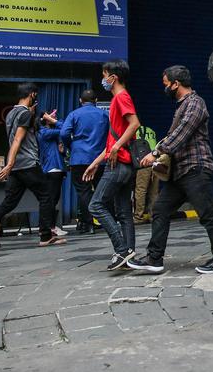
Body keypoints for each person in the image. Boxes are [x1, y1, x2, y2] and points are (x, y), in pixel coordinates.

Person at [130, 65, 213, 275]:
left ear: (176, 83)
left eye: (166, 84)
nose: (164, 88)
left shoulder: (195, 103)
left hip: (196, 167)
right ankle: (154, 258)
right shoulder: (181, 106)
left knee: (207, 214)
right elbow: (171, 136)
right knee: (160, 209)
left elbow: (182, 133)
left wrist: (156, 153)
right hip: (180, 172)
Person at [0, 84, 65, 252]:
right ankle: (46, 235)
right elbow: (18, 140)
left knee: (9, 203)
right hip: (26, 164)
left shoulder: (12, 113)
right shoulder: (25, 113)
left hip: (17, 167)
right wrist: (9, 164)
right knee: (46, 195)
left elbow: (21, 135)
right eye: (35, 95)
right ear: (32, 94)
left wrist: (11, 164)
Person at [84, 60, 140, 269]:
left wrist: (116, 147)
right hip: (122, 164)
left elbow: (135, 124)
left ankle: (121, 249)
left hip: (118, 165)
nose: (103, 79)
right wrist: (95, 163)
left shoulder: (121, 97)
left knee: (95, 205)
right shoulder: (119, 98)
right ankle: (129, 254)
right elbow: (112, 140)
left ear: (113, 77)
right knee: (124, 212)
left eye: (105, 75)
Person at [61, 90, 109, 234]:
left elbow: (64, 133)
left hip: (79, 159)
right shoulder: (104, 114)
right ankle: (107, 221)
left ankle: (88, 224)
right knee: (102, 190)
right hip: (100, 159)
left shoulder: (74, 114)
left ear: (81, 100)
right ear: (96, 100)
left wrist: (71, 146)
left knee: (83, 191)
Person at [37, 112, 68, 237]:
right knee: (50, 200)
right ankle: (50, 227)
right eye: (52, 117)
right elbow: (66, 128)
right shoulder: (43, 132)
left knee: (53, 200)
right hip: (51, 169)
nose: (55, 118)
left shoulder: (50, 132)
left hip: (56, 168)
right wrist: (51, 119)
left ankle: (48, 227)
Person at [132, 122, 160, 224]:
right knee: (154, 192)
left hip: (144, 163)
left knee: (140, 190)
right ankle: (154, 216)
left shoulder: (135, 131)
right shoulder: (151, 130)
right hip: (156, 162)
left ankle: (138, 217)